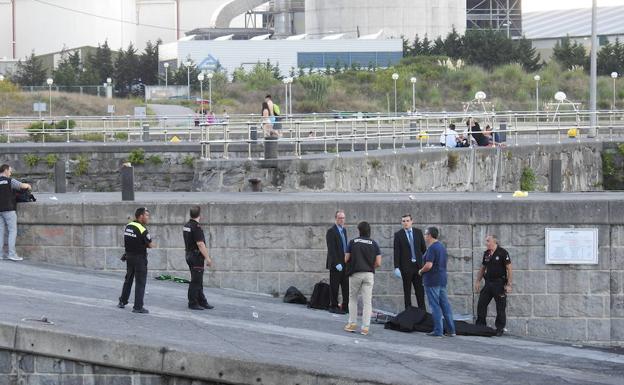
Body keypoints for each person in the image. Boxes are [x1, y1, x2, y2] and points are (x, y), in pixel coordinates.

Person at [344, 221, 382, 336]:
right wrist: (370, 266)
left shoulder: (353, 242)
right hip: (369, 274)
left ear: (359, 230)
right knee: (367, 302)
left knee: (353, 299)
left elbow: (346, 259)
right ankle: (365, 327)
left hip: (355, 273)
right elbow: (379, 263)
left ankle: (352, 324)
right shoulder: (374, 244)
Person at [418, 227, 456, 337]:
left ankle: (438, 331)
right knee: (445, 305)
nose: (424, 236)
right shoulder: (442, 247)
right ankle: (451, 330)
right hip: (442, 279)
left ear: (429, 235)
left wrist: (420, 271)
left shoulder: (432, 248)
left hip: (432, 280)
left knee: (434, 305)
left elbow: (429, 265)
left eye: (425, 234)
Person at [475, 235, 512, 336]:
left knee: (500, 307)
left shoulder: (502, 252)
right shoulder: (487, 253)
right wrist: (478, 281)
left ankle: (500, 328)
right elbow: (483, 268)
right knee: (481, 304)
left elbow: (509, 269)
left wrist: (509, 284)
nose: (486, 243)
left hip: (499, 283)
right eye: (486, 241)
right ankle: (481, 325)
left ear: (494, 242)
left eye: (488, 241)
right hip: (488, 283)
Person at [118, 207, 154, 314]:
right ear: (141, 216)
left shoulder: (129, 226)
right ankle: (138, 307)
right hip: (139, 258)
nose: (148, 218)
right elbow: (151, 244)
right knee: (140, 282)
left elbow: (130, 241)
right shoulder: (142, 229)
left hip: (129, 256)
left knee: (128, 279)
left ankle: (122, 301)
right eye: (146, 215)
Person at [393, 214, 427, 310]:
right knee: (407, 292)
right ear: (401, 222)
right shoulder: (398, 235)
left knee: (420, 292)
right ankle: (408, 313)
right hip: (406, 268)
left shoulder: (418, 233)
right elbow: (397, 252)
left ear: (412, 221)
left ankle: (422, 313)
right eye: (403, 221)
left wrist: (426, 264)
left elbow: (424, 249)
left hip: (418, 268)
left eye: (407, 221)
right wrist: (396, 267)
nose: (406, 223)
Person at [183, 205, 214, 310]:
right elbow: (200, 244)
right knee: (196, 281)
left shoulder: (187, 225)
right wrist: (208, 258)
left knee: (198, 280)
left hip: (189, 255)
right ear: (200, 215)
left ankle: (202, 301)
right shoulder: (196, 227)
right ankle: (192, 302)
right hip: (196, 257)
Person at [0, 164, 31, 261]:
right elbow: (23, 186)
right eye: (10, 170)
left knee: (0, 232)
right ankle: (12, 254)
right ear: (5, 170)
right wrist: (28, 185)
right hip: (9, 209)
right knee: (12, 231)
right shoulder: (10, 181)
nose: (11, 172)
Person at [326, 210, 349, 314]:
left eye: (343, 218)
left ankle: (345, 306)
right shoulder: (331, 231)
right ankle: (333, 306)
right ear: (336, 218)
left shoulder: (344, 230)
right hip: (336, 264)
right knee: (334, 286)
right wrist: (336, 263)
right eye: (340, 218)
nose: (342, 220)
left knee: (345, 286)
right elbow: (331, 249)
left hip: (344, 263)